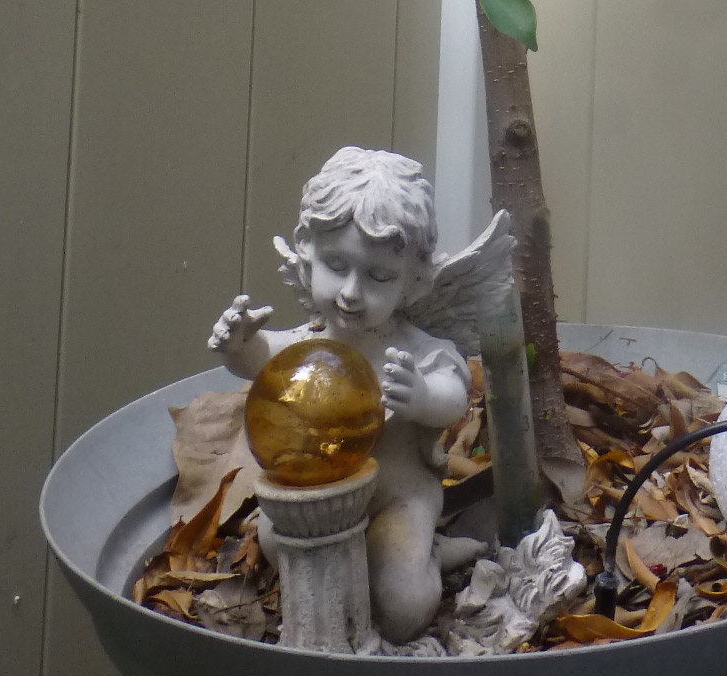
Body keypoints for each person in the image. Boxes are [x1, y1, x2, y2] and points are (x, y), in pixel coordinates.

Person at [210, 146, 506, 642]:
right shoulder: (310, 347)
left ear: (414, 282)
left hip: (396, 499)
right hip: (317, 500)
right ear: (307, 252)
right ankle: (339, 605)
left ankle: (430, 556)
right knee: (275, 542)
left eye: (378, 276)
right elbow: (262, 362)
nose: (350, 292)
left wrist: (420, 397)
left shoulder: (412, 350)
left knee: (403, 607)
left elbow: (454, 393)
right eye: (336, 265)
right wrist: (241, 346)